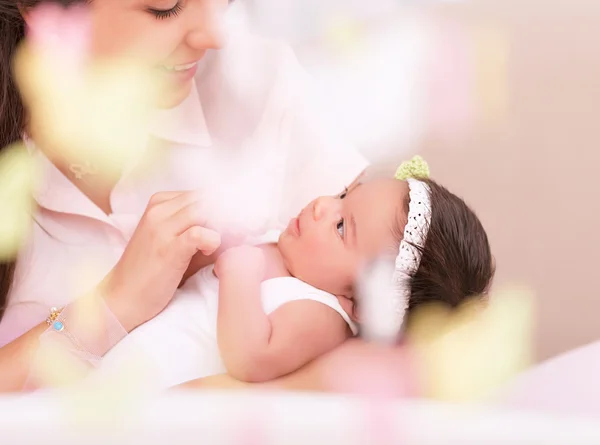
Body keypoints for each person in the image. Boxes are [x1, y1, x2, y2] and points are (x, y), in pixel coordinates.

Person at [0, 0, 367, 391]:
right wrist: (115, 303)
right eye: (165, 7)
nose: (213, 35)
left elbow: (388, 323)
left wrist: (195, 402)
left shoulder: (256, 81)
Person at [92, 157, 494, 389]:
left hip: (154, 401)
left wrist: (239, 276)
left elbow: (251, 360)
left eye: (341, 227)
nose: (321, 206)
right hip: (112, 370)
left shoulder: (320, 315)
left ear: (362, 302)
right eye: (342, 198)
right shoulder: (286, 247)